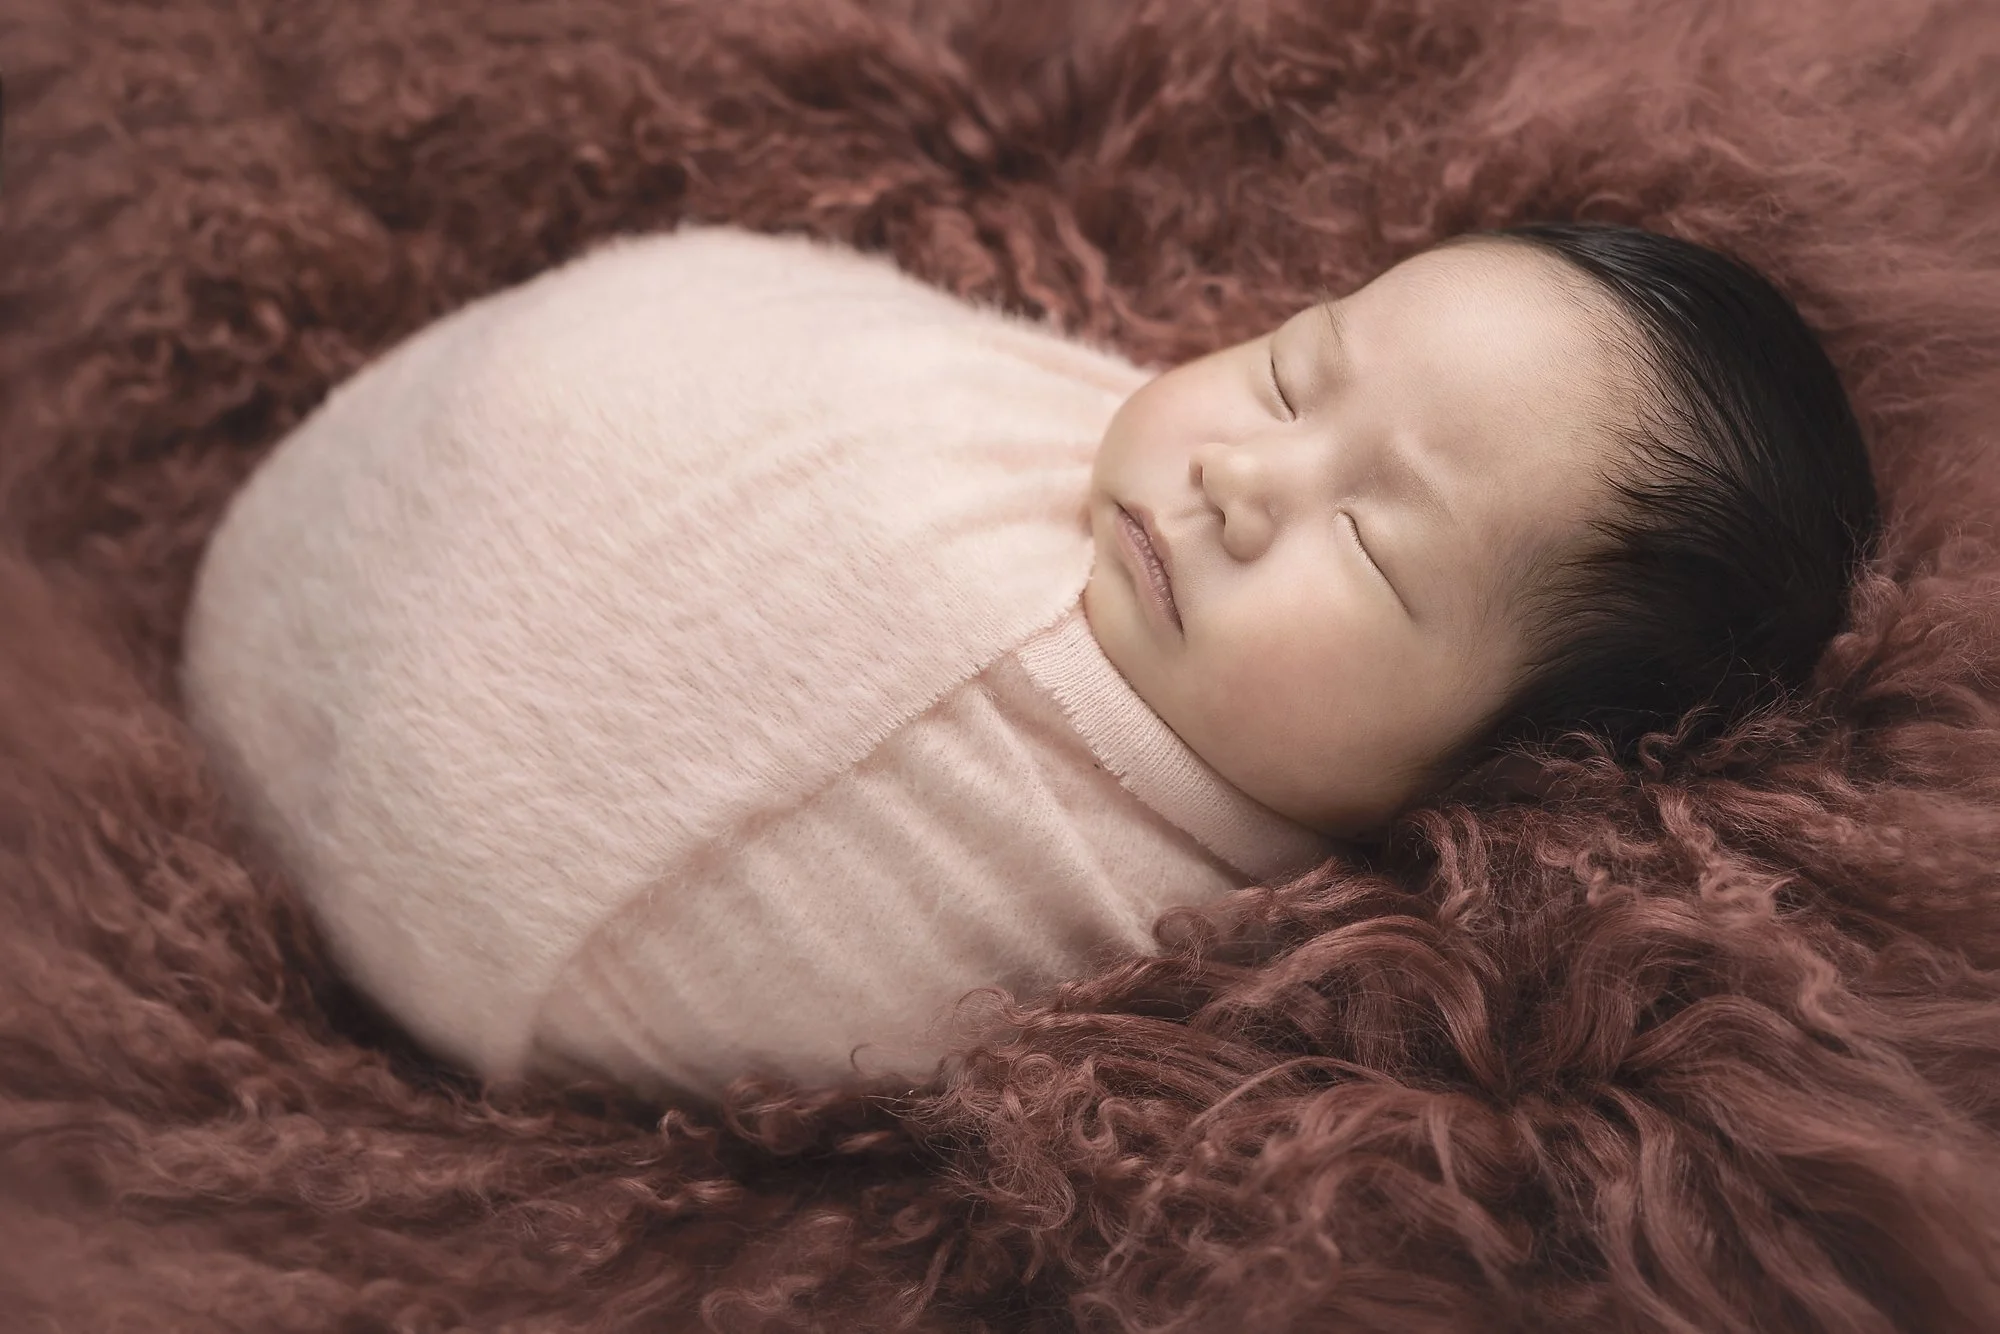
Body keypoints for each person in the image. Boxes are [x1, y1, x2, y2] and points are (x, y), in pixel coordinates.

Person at [178, 221, 1879, 1100]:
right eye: (1293, 372)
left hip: (404, 824)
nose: (1241, 476)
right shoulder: (1028, 449)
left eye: (1371, 548)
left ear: (1510, 771)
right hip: (416, 480)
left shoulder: (1190, 948)